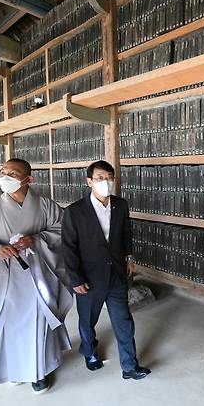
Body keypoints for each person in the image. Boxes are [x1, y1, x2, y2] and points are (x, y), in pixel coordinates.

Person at [0, 158, 72, 394]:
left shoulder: (46, 206)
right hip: (3, 279)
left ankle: (38, 372)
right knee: (5, 327)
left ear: (28, 179)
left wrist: (37, 240)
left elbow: (63, 230)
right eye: (3, 172)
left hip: (38, 276)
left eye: (13, 173)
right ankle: (12, 369)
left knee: (37, 323)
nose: (5, 177)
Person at [62, 160, 150, 380]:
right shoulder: (74, 211)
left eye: (109, 177)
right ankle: (90, 352)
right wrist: (75, 279)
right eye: (100, 178)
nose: (106, 182)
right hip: (88, 278)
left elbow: (126, 233)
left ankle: (130, 366)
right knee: (87, 321)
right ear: (89, 181)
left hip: (117, 274)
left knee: (124, 321)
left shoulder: (121, 205)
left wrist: (129, 256)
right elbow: (68, 248)